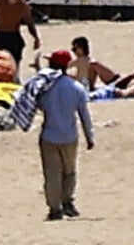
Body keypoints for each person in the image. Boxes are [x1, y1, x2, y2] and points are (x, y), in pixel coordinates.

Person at [25, 49, 94, 221]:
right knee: (69, 171)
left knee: (52, 174)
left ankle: (55, 208)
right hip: (70, 136)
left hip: (49, 135)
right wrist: (89, 136)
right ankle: (68, 201)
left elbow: (37, 105)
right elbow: (84, 114)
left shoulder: (45, 87)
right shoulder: (76, 87)